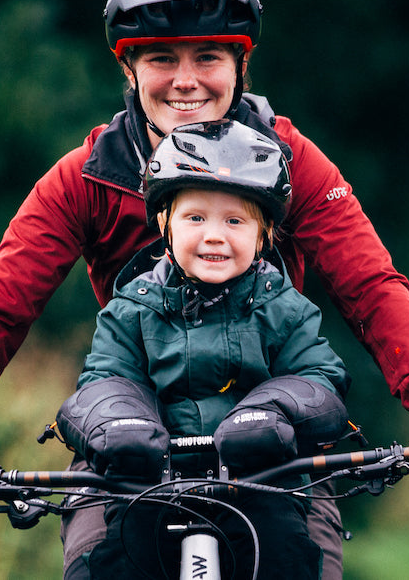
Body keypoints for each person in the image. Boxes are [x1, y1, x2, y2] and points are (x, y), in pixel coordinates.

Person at [0, 0, 409, 580]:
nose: (186, 80)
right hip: (126, 446)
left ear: (240, 61)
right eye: (160, 58)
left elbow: (371, 287)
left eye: (208, 55)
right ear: (128, 68)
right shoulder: (84, 178)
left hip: (274, 448)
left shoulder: (293, 164)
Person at [55, 119, 351, 579]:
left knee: (293, 560)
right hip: (146, 486)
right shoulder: (130, 308)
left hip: (264, 484)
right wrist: (118, 421)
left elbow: (318, 379)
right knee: (106, 562)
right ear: (164, 224)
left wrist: (272, 414)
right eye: (196, 218)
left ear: (264, 235)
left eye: (234, 221)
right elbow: (104, 379)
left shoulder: (286, 310)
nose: (214, 235)